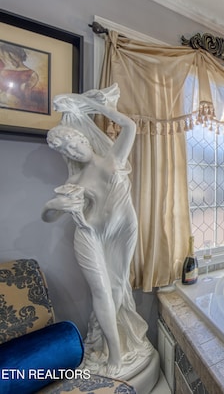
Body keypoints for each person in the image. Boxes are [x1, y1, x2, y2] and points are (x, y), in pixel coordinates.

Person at [42, 84, 153, 377]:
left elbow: (129, 125)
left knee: (117, 286)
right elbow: (48, 217)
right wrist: (54, 205)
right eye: (65, 150)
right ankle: (114, 352)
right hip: (91, 233)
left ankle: (108, 339)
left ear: (83, 136)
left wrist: (93, 107)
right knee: (102, 292)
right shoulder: (76, 179)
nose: (72, 150)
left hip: (124, 229)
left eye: (73, 142)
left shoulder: (114, 157)